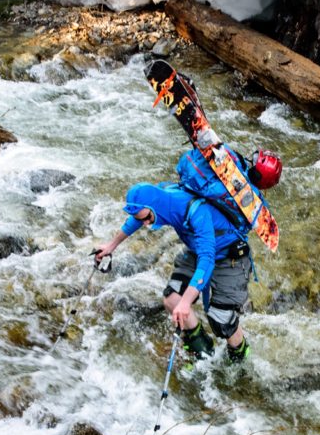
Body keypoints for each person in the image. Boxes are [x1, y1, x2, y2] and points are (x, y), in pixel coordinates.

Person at [95, 147, 282, 363]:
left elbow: (207, 260)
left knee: (221, 320)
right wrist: (111, 246)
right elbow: (135, 219)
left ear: (153, 207)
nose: (145, 223)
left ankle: (240, 358)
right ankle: (202, 350)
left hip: (229, 258)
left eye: (146, 218)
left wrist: (187, 302)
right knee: (172, 299)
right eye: (143, 218)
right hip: (198, 251)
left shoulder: (196, 212)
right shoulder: (166, 196)